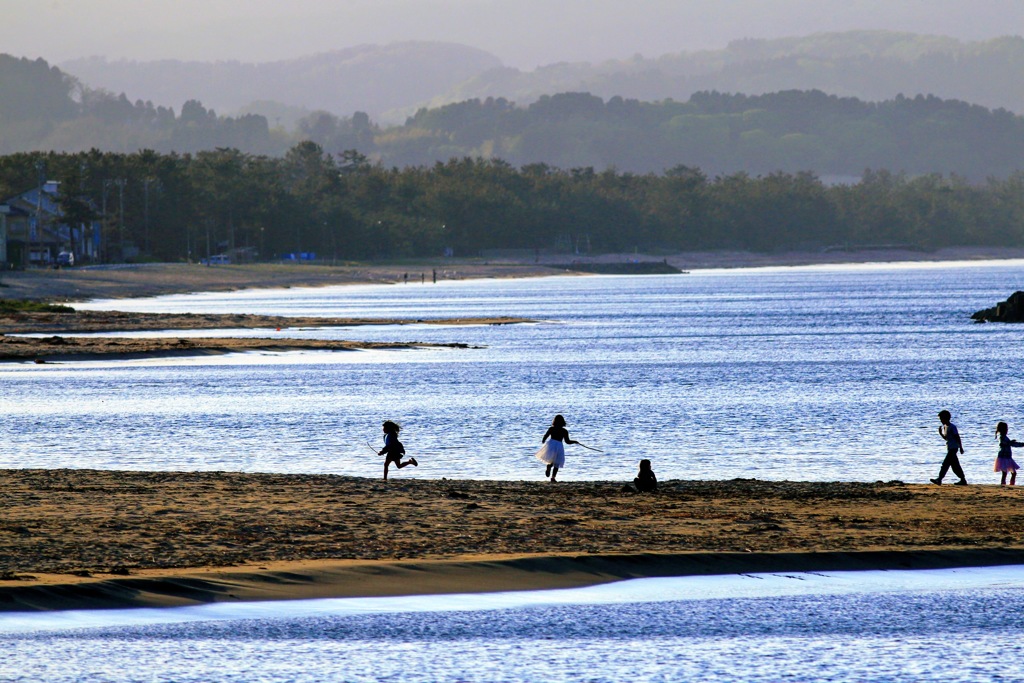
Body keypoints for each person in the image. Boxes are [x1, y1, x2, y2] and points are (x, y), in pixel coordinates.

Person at [535, 414, 578, 482]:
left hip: (551, 444)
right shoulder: (564, 431)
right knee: (557, 463)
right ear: (563, 422)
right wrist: (574, 441)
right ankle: (553, 477)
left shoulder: (551, 428)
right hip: (559, 446)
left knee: (551, 460)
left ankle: (549, 466)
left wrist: (543, 440)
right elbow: (567, 441)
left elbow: (546, 435)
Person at [931, 410, 967, 485]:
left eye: (941, 419)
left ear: (946, 418)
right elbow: (947, 439)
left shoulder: (952, 427)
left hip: (953, 448)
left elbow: (957, 437)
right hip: (950, 448)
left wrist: (961, 447)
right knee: (955, 466)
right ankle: (963, 480)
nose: (941, 420)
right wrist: (941, 434)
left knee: (945, 464)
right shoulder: (945, 427)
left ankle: (939, 479)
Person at [994, 421, 1022, 486]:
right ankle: (1003, 485)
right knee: (1004, 473)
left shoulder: (1006, 438)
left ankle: (1011, 485)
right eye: (1006, 429)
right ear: (1003, 430)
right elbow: (1002, 443)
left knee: (1013, 473)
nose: (1007, 430)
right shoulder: (1001, 437)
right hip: (1003, 457)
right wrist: (1010, 442)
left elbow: (1013, 444)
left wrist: (1022, 444)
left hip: (1008, 458)